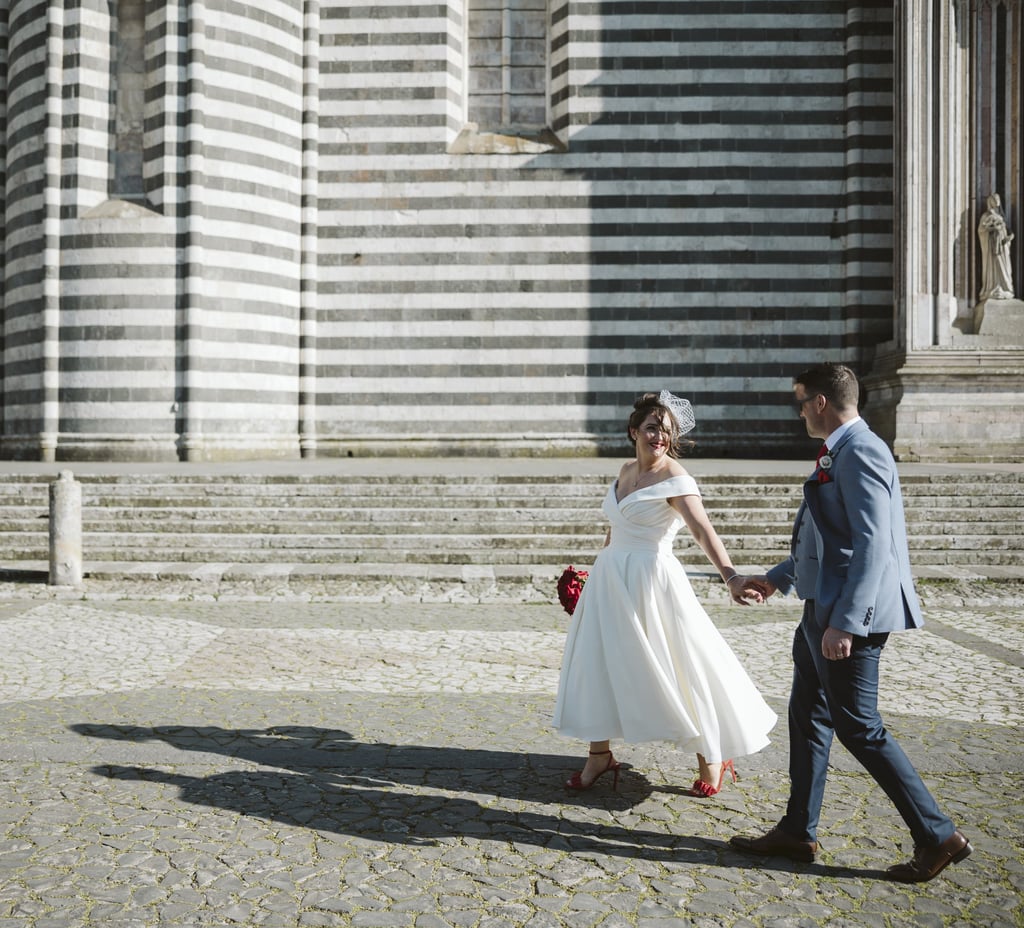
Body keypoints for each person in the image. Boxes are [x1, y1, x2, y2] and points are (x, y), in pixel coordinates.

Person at [729, 363, 972, 883]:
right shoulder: (841, 449)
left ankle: (938, 835)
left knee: (860, 728)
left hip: (842, 619)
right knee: (808, 716)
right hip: (820, 609)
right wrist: (777, 578)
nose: (798, 411)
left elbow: (872, 547)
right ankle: (798, 830)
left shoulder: (861, 451)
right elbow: (827, 538)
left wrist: (848, 623)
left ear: (820, 402)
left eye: (800, 401)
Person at [551, 391, 777, 797]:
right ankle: (599, 754)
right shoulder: (623, 471)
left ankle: (712, 753)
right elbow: (615, 527)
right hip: (610, 580)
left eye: (666, 432)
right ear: (634, 430)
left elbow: (703, 531)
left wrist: (731, 578)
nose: (659, 437)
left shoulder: (676, 479)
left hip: (653, 582)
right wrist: (592, 574)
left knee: (680, 664)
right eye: (653, 428)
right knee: (601, 662)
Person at [978, 192, 1015, 301]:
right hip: (992, 247)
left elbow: (1009, 231)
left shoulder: (1001, 216)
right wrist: (993, 228)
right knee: (995, 265)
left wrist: (1010, 237)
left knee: (1006, 266)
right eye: (995, 199)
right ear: (990, 201)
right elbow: (981, 230)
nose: (997, 201)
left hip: (1003, 247)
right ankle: (993, 287)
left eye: (998, 199)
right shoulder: (986, 216)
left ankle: (1006, 288)